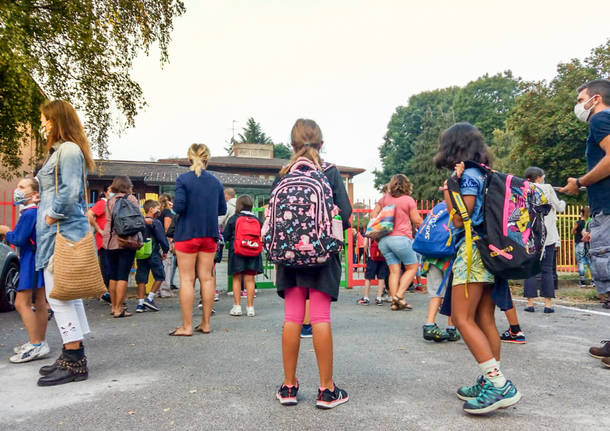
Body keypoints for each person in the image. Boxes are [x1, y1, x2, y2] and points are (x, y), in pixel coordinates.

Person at [434, 122, 521, 414]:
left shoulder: (467, 177)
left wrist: (449, 189)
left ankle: (499, 386)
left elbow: (460, 219)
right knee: (484, 318)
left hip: (472, 253)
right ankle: (488, 380)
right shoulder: (483, 173)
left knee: (461, 318)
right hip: (490, 251)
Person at [275, 119, 352, 409]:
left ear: (292, 145)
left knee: (293, 317)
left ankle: (289, 386)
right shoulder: (329, 173)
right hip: (321, 257)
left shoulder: (284, 174)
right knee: (320, 317)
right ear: (321, 143)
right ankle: (326, 390)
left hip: (289, 257)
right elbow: (344, 215)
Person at [35, 100, 95, 386]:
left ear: (57, 120)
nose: (43, 124)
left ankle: (74, 360)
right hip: (58, 230)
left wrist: (50, 215)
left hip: (62, 231)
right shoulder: (62, 150)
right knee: (66, 294)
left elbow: (70, 190)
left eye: (46, 119)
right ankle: (72, 352)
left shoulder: (68, 150)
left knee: (58, 295)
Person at [560, 78, 610, 311]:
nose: (578, 106)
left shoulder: (600, 119)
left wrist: (580, 181)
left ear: (596, 99)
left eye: (581, 100)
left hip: (607, 210)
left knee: (606, 280)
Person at [170, 143, 226, 336]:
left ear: (189, 159)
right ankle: (206, 324)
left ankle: (186, 327)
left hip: (187, 234)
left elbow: (179, 207)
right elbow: (222, 210)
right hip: (209, 234)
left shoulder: (183, 180)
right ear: (207, 159)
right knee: (207, 278)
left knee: (187, 279)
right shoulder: (216, 182)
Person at [0, 177, 49, 363]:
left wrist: (5, 231)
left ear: (35, 194)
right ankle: (39, 342)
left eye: (22, 187)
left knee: (22, 303)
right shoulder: (36, 212)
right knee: (41, 302)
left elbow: (19, 239)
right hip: (38, 259)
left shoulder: (29, 213)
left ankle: (36, 344)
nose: (17, 189)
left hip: (30, 260)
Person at [370, 174, 423, 311]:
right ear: (406, 185)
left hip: (384, 240)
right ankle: (399, 295)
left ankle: (395, 303)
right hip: (401, 239)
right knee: (412, 267)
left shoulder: (384, 199)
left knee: (394, 271)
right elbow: (416, 220)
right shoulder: (408, 200)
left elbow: (373, 215)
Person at [522, 167, 565, 313]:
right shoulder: (547, 188)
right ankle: (547, 305)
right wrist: (563, 202)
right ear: (539, 177)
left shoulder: (524, 189)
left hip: (530, 235)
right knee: (547, 269)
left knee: (530, 270)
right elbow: (558, 207)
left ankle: (530, 303)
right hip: (548, 235)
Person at [103, 176, 139, 318]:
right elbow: (137, 220)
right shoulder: (131, 200)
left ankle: (113, 306)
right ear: (127, 186)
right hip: (126, 241)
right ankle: (119, 308)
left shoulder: (110, 201)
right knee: (123, 275)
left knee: (113, 276)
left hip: (110, 241)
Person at [223, 194, 263, 317]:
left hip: (237, 251)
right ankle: (250, 308)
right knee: (250, 279)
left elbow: (226, 236)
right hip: (253, 251)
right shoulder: (257, 220)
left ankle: (237, 306)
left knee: (237, 278)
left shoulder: (234, 218)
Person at [135, 200, 170, 313]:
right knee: (160, 276)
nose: (159, 210)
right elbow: (161, 238)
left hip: (141, 252)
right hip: (153, 252)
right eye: (157, 208)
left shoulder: (139, 222)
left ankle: (140, 304)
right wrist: (165, 250)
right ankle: (149, 298)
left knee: (141, 278)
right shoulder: (156, 222)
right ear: (151, 209)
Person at [421, 257, 459, 342]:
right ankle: (451, 329)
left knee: (436, 292)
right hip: (450, 259)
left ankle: (429, 325)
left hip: (431, 257)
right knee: (452, 292)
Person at [86, 186, 111, 302]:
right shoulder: (103, 204)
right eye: (110, 191)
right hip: (103, 241)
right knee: (107, 268)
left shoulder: (112, 204)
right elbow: (89, 214)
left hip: (110, 240)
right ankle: (105, 293)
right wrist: (99, 229)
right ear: (105, 193)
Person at [357, 237, 388, 306]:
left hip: (372, 257)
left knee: (368, 278)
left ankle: (366, 298)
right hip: (383, 256)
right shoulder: (385, 228)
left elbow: (365, 244)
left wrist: (368, 253)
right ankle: (379, 298)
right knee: (381, 277)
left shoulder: (371, 228)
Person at [157, 193, 176, 296]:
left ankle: (158, 289)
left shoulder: (159, 212)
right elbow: (167, 228)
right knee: (167, 265)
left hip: (158, 240)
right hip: (165, 241)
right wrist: (172, 241)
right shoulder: (167, 212)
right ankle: (165, 290)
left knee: (161, 265)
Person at [572, 206, 593, 287]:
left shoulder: (578, 222)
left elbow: (572, 231)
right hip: (589, 244)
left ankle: (582, 281)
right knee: (589, 262)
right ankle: (593, 281)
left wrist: (576, 230)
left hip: (579, 243)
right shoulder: (591, 222)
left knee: (580, 261)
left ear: (581, 213)